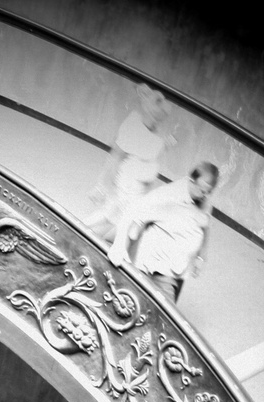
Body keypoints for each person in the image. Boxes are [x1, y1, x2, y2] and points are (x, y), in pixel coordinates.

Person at [108, 162, 220, 301]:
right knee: (160, 312)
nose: (205, 196)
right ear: (191, 181)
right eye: (203, 191)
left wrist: (201, 257)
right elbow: (131, 212)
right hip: (158, 269)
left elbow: (205, 226)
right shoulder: (168, 195)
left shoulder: (204, 201)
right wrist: (119, 244)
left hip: (179, 269)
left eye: (209, 192)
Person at [85, 85, 174, 242]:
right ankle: (80, 230)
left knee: (117, 222)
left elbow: (151, 152)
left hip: (138, 190)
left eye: (160, 117)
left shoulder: (155, 132)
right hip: (126, 186)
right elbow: (115, 156)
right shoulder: (133, 125)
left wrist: (163, 145)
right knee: (109, 217)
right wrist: (102, 185)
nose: (157, 119)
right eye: (156, 114)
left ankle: (89, 236)